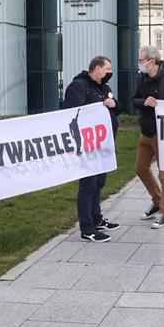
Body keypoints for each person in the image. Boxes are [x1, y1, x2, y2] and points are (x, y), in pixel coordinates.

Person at [62, 56, 121, 243]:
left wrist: (114, 105)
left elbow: (117, 108)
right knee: (88, 184)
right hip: (87, 145)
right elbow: (72, 113)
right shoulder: (79, 86)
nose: (109, 72)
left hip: (103, 145)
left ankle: (97, 218)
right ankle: (87, 228)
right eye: (107, 68)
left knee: (99, 183)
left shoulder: (104, 87)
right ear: (97, 68)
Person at [133, 46, 164, 229]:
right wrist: (144, 102)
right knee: (141, 169)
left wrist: (160, 106)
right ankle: (157, 200)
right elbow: (135, 99)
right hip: (145, 130)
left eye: (141, 60)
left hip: (162, 133)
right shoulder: (142, 78)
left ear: (151, 62)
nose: (139, 63)